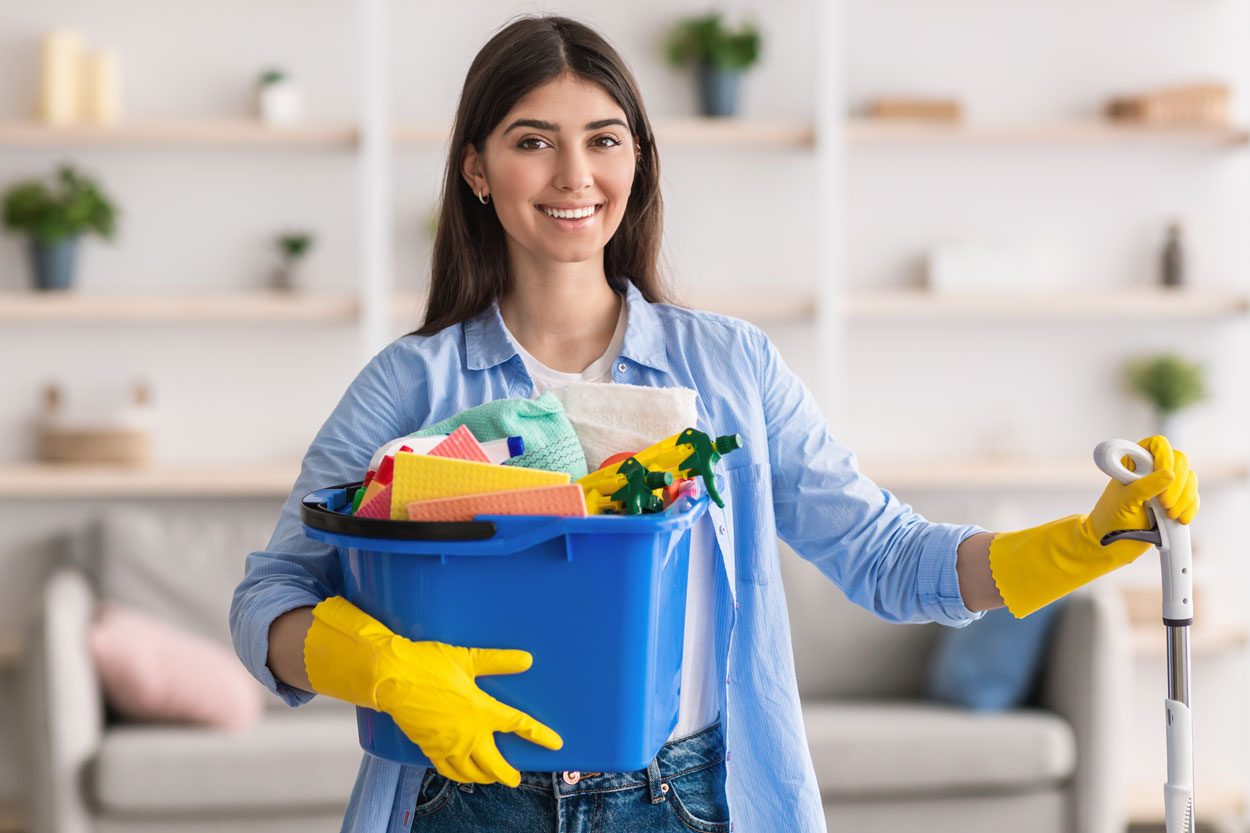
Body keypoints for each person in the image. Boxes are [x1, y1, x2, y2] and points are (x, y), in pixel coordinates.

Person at [230, 15, 1200, 833]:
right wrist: (384, 668)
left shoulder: (729, 369)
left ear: (637, 160)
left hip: (682, 798)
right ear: (477, 169)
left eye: (604, 138)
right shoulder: (411, 383)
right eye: (532, 140)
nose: (575, 173)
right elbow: (267, 598)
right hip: (463, 797)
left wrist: (1079, 542)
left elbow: (883, 554)